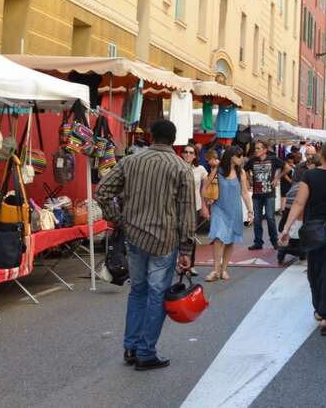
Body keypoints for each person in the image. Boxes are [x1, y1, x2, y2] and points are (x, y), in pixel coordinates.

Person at [96, 120, 196, 371]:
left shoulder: (131, 161)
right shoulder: (180, 167)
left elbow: (103, 191)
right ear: (174, 140)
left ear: (151, 136)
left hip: (135, 237)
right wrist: (186, 250)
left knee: (137, 291)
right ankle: (146, 351)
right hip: (164, 240)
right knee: (156, 295)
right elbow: (186, 213)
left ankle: (131, 346)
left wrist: (119, 220)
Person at [279, 140, 326, 336]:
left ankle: (319, 307)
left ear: (321, 155)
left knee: (316, 270)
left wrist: (287, 228)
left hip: (313, 230)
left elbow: (298, 202)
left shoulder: (310, 176)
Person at [203, 146, 252, 281]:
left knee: (230, 240)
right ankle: (215, 270)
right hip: (219, 208)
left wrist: (250, 211)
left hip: (234, 209)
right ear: (231, 157)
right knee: (219, 238)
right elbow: (205, 187)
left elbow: (245, 193)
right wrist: (206, 203)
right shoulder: (217, 170)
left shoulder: (241, 172)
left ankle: (224, 270)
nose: (242, 159)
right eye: (239, 156)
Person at [277, 154, 320, 266]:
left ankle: (291, 251)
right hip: (297, 200)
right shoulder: (310, 175)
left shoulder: (302, 169)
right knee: (299, 233)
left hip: (294, 198)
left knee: (297, 233)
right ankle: (287, 250)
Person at [245, 141, 285, 251]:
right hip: (257, 194)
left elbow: (287, 168)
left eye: (258, 148)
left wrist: (277, 178)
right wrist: (249, 179)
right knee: (257, 219)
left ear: (265, 150)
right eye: (255, 148)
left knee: (270, 218)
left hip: (269, 194)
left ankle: (275, 241)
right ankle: (258, 242)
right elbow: (245, 169)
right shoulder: (252, 160)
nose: (256, 150)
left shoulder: (273, 159)